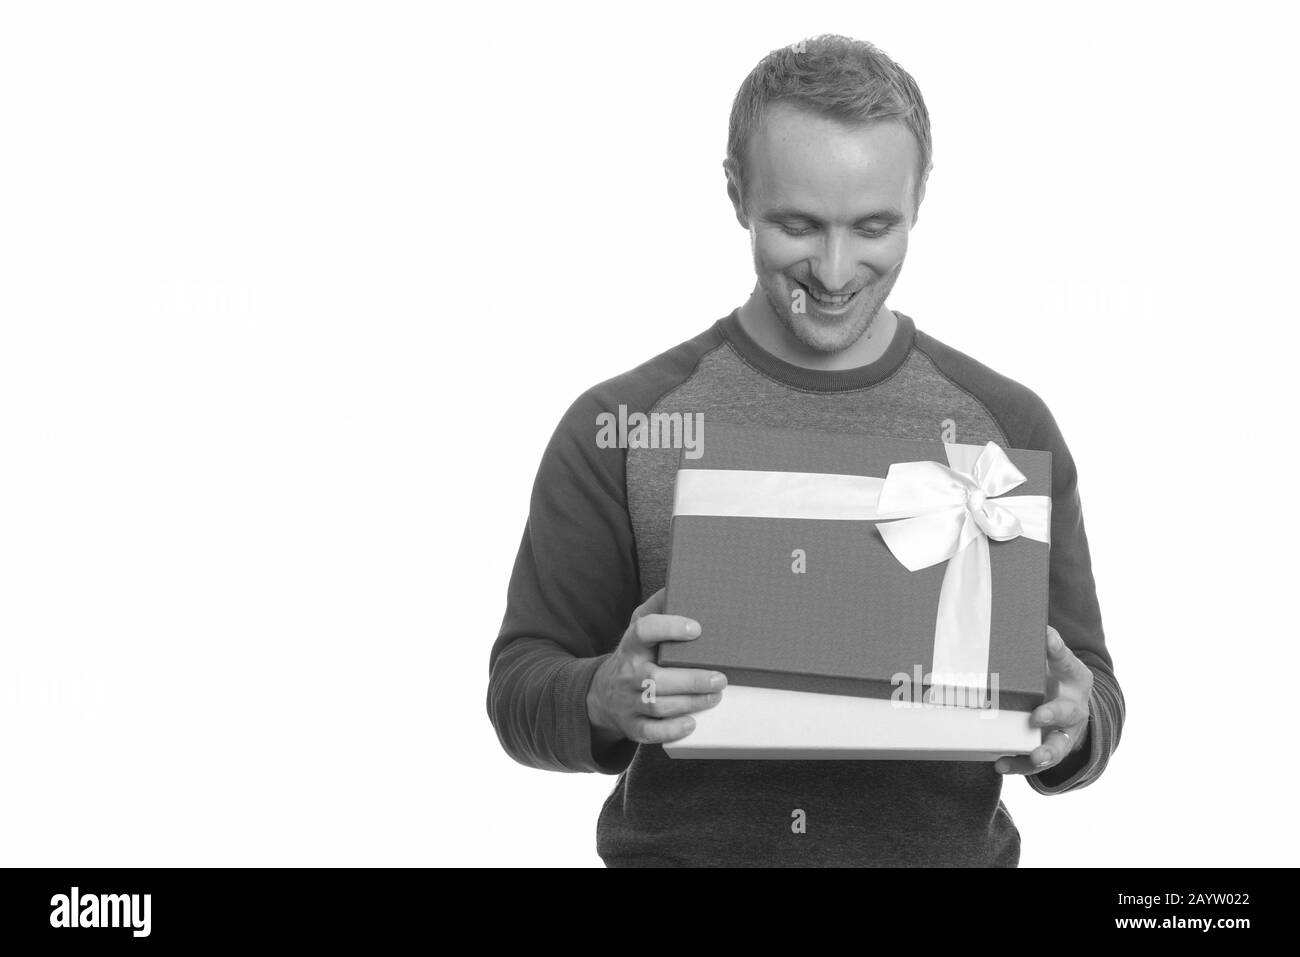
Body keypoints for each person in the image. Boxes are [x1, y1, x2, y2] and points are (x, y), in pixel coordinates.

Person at [487, 34, 1124, 867]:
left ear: (920, 198)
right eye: (797, 224)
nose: (832, 270)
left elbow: (1095, 694)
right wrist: (602, 694)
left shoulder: (1007, 422)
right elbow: (519, 691)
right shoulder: (624, 423)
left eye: (873, 226)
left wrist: (1072, 728)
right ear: (735, 192)